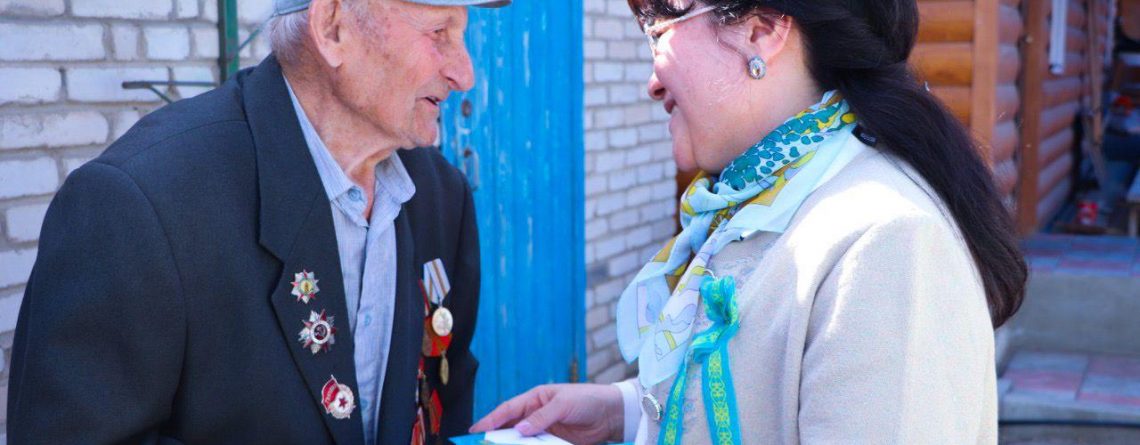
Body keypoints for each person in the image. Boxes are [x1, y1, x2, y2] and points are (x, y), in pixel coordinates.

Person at [471, 0, 1026, 443]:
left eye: (658, 28)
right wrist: (622, 411)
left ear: (761, 31)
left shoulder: (887, 242)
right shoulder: (770, 199)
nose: (652, 83)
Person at [7, 0, 508, 443]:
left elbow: (444, 399)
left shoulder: (440, 196)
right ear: (333, 27)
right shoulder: (139, 203)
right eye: (438, 33)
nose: (464, 74)